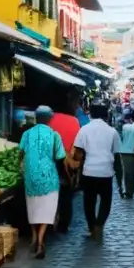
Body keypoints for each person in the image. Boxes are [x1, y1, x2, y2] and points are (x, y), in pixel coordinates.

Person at [18, 106, 66, 260]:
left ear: (36, 118)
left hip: (30, 175)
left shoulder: (26, 134)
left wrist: (21, 165)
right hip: (49, 177)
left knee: (32, 207)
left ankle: (33, 235)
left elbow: (20, 153)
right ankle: (40, 240)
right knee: (47, 209)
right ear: (50, 119)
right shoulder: (54, 135)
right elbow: (60, 156)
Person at [70, 103, 121, 244]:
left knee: (89, 202)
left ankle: (92, 227)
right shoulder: (112, 132)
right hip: (106, 172)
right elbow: (117, 156)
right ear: (105, 115)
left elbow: (78, 153)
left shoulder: (84, 130)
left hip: (89, 171)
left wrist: (76, 164)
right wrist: (120, 178)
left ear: (90, 114)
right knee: (106, 201)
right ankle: (99, 224)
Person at [49, 100, 82, 234]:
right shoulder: (74, 121)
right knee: (66, 195)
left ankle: (49, 223)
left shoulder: (49, 120)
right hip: (67, 164)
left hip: (50, 162)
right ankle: (63, 224)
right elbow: (77, 145)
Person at [117, 109, 134, 199]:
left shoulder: (125, 127)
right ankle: (131, 190)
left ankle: (128, 191)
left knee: (128, 173)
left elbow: (121, 137)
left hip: (126, 152)